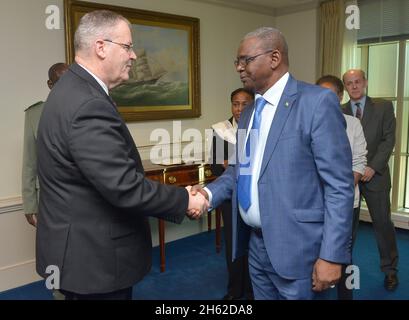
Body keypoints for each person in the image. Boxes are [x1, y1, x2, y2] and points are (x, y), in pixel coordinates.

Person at [36, 10, 207, 300]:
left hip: (76, 253)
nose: (134, 56)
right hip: (95, 261)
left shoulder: (70, 89)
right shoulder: (88, 103)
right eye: (127, 46)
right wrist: (186, 200)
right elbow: (124, 187)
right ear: (100, 47)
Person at [192, 27, 354, 300]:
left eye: (246, 60)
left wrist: (332, 255)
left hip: (300, 250)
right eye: (237, 62)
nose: (239, 68)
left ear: (275, 58)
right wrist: (207, 195)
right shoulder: (249, 112)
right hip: (255, 247)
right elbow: (239, 171)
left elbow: (339, 186)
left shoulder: (316, 102)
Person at [342, 69, 398, 291]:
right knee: (346, 230)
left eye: (357, 82)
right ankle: (344, 273)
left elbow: (388, 140)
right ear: (345, 87)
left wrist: (372, 167)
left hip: (376, 176)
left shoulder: (383, 107)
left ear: (365, 82)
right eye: (349, 83)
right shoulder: (339, 110)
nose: (354, 86)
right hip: (350, 179)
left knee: (383, 226)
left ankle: (390, 271)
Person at [316, 75, 367, 300]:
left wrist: (338, 194)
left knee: (343, 254)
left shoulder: (353, 124)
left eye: (329, 94)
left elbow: (358, 163)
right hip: (314, 204)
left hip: (345, 203)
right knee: (314, 253)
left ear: (339, 96)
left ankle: (345, 296)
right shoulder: (309, 122)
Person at [210, 88, 254, 300]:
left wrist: (233, 164)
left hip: (254, 197)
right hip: (229, 198)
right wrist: (230, 166)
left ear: (252, 105)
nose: (239, 109)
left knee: (254, 245)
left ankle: (252, 289)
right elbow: (215, 168)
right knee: (234, 244)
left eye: (244, 104)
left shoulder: (260, 128)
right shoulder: (221, 131)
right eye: (235, 104)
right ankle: (235, 290)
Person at [22, 62, 68, 227]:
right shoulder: (34, 115)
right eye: (59, 81)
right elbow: (29, 163)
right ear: (50, 84)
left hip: (81, 198)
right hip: (49, 198)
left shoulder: (84, 110)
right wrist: (29, 204)